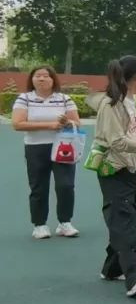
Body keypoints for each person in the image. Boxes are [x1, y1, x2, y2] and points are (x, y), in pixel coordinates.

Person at [88, 56, 136, 297]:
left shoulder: (131, 101)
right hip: (114, 169)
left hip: (132, 168)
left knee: (127, 219)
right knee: (124, 220)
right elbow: (116, 140)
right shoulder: (112, 104)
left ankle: (112, 268)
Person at [12, 65, 81, 239]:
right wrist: (49, 125)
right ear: (32, 79)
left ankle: (65, 222)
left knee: (66, 186)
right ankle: (40, 225)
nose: (42, 79)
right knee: (38, 187)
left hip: (62, 147)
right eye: (38, 76)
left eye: (46, 76)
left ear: (53, 80)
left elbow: (76, 122)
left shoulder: (64, 99)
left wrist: (67, 122)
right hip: (35, 147)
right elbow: (18, 123)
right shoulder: (24, 98)